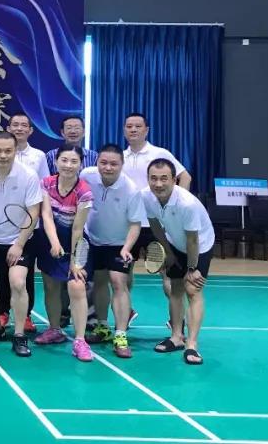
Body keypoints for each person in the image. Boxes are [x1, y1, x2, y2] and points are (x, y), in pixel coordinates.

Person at [0, 132, 42, 357]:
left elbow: (33, 212)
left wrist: (19, 244)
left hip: (20, 239)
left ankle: (19, 335)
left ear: (15, 151)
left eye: (8, 151)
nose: (3, 155)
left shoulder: (28, 175)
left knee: (18, 283)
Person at [142, 158, 214, 366]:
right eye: (153, 178)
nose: (158, 184)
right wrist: (168, 252)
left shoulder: (186, 204)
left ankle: (192, 344)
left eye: (164, 178)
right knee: (175, 288)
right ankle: (176, 337)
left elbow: (193, 240)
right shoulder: (147, 197)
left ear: (174, 180)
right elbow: (155, 226)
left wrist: (192, 268)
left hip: (200, 244)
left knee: (192, 289)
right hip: (174, 241)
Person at [122, 112, 192, 316]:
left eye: (138, 126)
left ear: (147, 130)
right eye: (129, 126)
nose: (133, 129)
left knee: (167, 274)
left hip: (158, 224)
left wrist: (175, 206)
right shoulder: (120, 157)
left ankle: (177, 321)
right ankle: (126, 313)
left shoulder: (160, 153)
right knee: (124, 273)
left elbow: (185, 177)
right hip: (130, 224)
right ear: (124, 130)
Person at [79, 145, 145, 358]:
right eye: (103, 163)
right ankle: (102, 326)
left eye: (113, 164)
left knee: (118, 283)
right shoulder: (87, 175)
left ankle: (121, 335)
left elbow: (135, 224)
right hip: (93, 240)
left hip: (119, 243)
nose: (108, 167)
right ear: (97, 162)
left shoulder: (131, 189)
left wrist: (127, 248)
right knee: (98, 283)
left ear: (122, 165)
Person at [32, 145, 95, 361]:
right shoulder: (46, 183)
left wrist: (74, 261)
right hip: (50, 239)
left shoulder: (84, 192)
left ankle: (80, 340)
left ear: (80, 164)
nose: (68, 165)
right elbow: (46, 215)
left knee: (76, 286)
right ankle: (54, 329)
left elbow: (78, 228)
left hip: (76, 241)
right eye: (64, 160)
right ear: (56, 161)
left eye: (74, 161)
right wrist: (54, 242)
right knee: (50, 286)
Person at [0, 112, 46, 333]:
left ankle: (26, 315)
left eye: (23, 125)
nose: (19, 128)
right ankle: (3, 311)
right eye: (14, 124)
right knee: (3, 273)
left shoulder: (38, 156)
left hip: (28, 227)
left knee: (24, 275)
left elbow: (43, 189)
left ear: (30, 130)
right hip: (2, 226)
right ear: (8, 128)